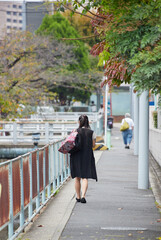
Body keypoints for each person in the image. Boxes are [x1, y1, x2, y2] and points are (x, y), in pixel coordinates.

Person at [70, 115, 97, 204]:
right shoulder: (91, 132)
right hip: (87, 155)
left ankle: (77, 196)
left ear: (79, 122)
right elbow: (93, 145)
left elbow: (71, 142)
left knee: (77, 177)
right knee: (85, 177)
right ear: (88, 122)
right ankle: (83, 196)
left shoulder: (75, 131)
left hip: (76, 155)